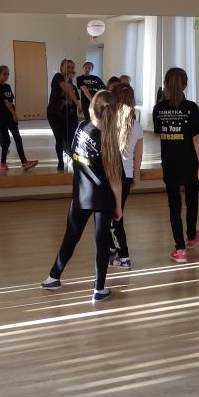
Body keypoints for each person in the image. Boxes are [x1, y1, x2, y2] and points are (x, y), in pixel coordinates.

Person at [40, 90, 125, 302]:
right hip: (103, 200)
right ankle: (99, 289)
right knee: (101, 244)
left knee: (71, 237)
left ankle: (53, 277)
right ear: (114, 113)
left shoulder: (81, 127)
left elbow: (73, 154)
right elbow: (116, 181)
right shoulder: (110, 141)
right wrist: (118, 207)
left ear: (91, 109)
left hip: (80, 195)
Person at [153, 67, 199, 262]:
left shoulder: (158, 109)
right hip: (190, 162)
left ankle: (180, 249)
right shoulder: (191, 108)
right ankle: (191, 237)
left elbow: (160, 133)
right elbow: (196, 139)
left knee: (174, 206)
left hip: (170, 163)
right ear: (185, 85)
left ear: (165, 84)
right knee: (192, 201)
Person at [109, 82, 143, 268]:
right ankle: (113, 249)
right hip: (126, 176)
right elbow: (138, 156)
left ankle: (124, 257)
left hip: (113, 176)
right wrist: (135, 177)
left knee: (115, 217)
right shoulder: (136, 125)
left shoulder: (108, 122)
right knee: (114, 214)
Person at [0, 65, 38, 171]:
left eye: (8, 74)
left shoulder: (8, 86)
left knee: (18, 138)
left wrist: (13, 114)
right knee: (6, 141)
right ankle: (3, 162)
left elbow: (10, 101)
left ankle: (24, 162)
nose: (6, 76)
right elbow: (6, 102)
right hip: (1, 119)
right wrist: (14, 114)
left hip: (10, 117)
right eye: (4, 73)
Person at [47, 59, 82, 172]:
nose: (70, 69)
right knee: (59, 138)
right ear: (61, 68)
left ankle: (73, 159)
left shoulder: (74, 87)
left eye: (72, 68)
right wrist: (79, 105)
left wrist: (77, 112)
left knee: (70, 140)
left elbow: (74, 100)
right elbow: (67, 89)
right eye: (68, 67)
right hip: (55, 115)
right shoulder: (57, 77)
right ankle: (60, 162)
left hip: (69, 116)